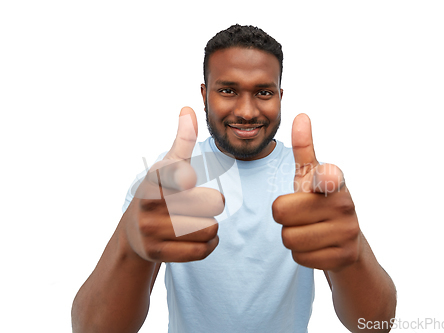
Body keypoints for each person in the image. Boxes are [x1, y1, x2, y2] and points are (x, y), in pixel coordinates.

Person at [72, 24, 397, 333]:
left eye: (263, 92)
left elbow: (376, 325)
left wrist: (351, 257)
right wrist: (130, 245)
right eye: (227, 90)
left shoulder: (314, 184)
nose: (246, 111)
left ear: (280, 95)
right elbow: (92, 328)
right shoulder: (167, 180)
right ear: (204, 94)